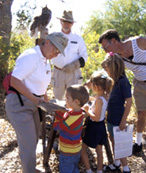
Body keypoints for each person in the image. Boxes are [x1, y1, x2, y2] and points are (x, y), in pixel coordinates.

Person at [5, 32, 68, 173]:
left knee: (32, 140)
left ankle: (29, 168)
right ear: (47, 42)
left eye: (59, 52)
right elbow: (15, 81)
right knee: (28, 143)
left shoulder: (45, 59)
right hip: (19, 104)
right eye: (55, 49)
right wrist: (34, 99)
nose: (56, 54)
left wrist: (46, 100)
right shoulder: (30, 56)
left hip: (34, 103)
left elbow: (39, 84)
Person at [99, 29, 146, 154]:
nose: (105, 50)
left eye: (105, 47)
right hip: (139, 83)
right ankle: (138, 143)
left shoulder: (139, 42)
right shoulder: (116, 57)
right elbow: (108, 70)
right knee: (141, 113)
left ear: (114, 41)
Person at [101, 53, 132, 173]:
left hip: (119, 119)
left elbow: (129, 101)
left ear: (114, 67)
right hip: (111, 118)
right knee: (113, 141)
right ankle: (116, 163)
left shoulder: (123, 82)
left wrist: (123, 120)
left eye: (107, 68)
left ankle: (126, 168)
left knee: (119, 145)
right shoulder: (113, 80)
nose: (105, 71)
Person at [51, 10, 88, 100]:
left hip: (73, 73)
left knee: (74, 99)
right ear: (60, 22)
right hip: (58, 72)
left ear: (72, 24)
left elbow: (84, 57)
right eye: (64, 21)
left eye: (69, 22)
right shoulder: (53, 36)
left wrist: (74, 65)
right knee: (58, 100)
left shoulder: (78, 38)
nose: (66, 24)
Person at [81, 70, 113, 173]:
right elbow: (98, 100)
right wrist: (90, 98)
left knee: (82, 149)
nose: (91, 87)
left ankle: (88, 170)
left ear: (97, 86)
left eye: (92, 84)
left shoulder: (99, 100)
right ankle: (99, 170)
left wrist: (88, 110)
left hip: (94, 126)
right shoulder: (104, 96)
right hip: (101, 127)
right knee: (99, 151)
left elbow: (96, 117)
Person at [53, 84, 89, 173]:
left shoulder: (71, 119)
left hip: (67, 151)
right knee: (74, 168)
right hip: (75, 149)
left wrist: (59, 113)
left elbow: (56, 127)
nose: (65, 100)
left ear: (76, 101)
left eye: (67, 98)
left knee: (66, 169)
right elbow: (70, 114)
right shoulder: (80, 113)